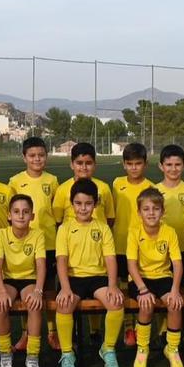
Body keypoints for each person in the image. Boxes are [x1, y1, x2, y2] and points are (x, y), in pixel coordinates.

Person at [55, 179, 126, 367]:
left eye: (88, 203)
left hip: (98, 277)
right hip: (73, 278)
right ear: (72, 204)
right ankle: (67, 353)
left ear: (95, 204)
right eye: (78, 203)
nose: (83, 208)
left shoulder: (102, 228)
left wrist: (112, 285)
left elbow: (110, 259)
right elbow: (61, 260)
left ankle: (108, 349)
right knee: (64, 305)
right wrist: (65, 288)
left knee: (116, 302)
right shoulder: (65, 229)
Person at [52, 142, 115, 340]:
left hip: (97, 250)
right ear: (72, 164)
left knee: (99, 293)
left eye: (88, 163)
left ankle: (95, 331)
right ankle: (71, 341)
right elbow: (58, 219)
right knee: (72, 297)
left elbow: (110, 218)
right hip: (73, 256)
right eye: (79, 163)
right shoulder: (63, 190)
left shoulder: (103, 188)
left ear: (94, 165)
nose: (84, 167)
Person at [126, 188, 184, 367]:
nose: (151, 213)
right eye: (146, 209)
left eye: (156, 208)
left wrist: (175, 289)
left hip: (163, 278)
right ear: (139, 212)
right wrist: (142, 289)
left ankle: (172, 349)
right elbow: (131, 265)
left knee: (175, 304)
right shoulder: (134, 232)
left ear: (163, 211)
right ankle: (142, 348)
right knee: (146, 304)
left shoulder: (169, 232)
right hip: (140, 279)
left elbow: (177, 264)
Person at [8, 137, 60, 351]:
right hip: (24, 244)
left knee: (47, 290)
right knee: (26, 291)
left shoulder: (53, 180)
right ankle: (26, 334)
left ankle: (52, 332)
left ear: (46, 156)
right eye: (32, 155)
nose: (37, 159)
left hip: (48, 243)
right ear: (24, 158)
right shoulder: (15, 181)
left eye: (41, 155)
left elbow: (57, 214)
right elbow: (10, 214)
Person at [0, 194, 48, 367]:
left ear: (32, 216)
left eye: (26, 212)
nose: (21, 216)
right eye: (16, 212)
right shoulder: (1, 234)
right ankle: (5, 355)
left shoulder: (38, 234)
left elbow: (41, 265)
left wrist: (38, 291)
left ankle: (32, 357)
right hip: (8, 280)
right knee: (0, 305)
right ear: (9, 215)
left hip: (29, 279)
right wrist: (0, 291)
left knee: (34, 304)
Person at [112, 143, 153, 346]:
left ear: (145, 164)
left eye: (138, 163)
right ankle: (128, 328)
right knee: (123, 288)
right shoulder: (116, 183)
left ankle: (140, 325)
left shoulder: (151, 187)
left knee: (140, 285)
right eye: (130, 164)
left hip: (142, 247)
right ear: (123, 165)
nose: (134, 168)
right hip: (120, 244)